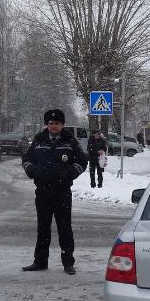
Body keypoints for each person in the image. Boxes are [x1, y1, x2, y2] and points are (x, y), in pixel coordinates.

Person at [21, 109, 87, 274]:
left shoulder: (69, 140)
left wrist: (71, 173)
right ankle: (40, 261)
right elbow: (27, 159)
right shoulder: (39, 139)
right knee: (43, 228)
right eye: (50, 123)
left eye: (56, 123)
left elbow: (82, 160)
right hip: (42, 192)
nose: (53, 126)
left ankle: (68, 263)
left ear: (62, 124)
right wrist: (32, 172)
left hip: (62, 192)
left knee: (64, 228)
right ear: (47, 124)